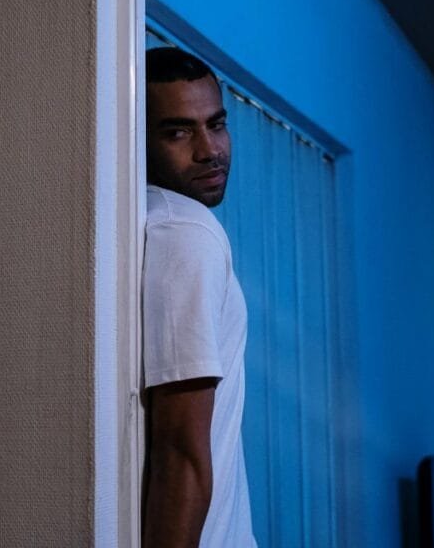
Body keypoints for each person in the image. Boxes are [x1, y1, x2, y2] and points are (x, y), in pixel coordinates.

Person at [142, 47, 256, 547]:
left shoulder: (153, 220)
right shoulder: (186, 231)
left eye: (216, 124)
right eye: (178, 132)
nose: (210, 150)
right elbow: (179, 455)